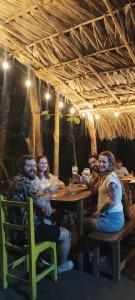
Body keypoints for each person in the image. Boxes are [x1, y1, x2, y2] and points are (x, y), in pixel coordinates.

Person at [8, 154, 74, 273]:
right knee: (66, 234)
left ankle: (43, 257)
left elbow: (36, 199)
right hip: (26, 233)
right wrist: (49, 192)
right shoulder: (25, 183)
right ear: (20, 168)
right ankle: (62, 266)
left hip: (15, 231)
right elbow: (42, 202)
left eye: (34, 165)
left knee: (50, 222)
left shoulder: (15, 180)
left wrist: (45, 202)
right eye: (29, 166)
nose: (33, 168)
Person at [84, 151, 125, 233]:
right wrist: (84, 180)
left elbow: (112, 201)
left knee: (82, 222)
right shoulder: (105, 175)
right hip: (111, 216)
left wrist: (98, 213)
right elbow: (95, 190)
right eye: (99, 161)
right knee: (86, 219)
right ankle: (96, 245)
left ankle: (93, 245)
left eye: (104, 162)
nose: (100, 164)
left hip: (113, 220)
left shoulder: (110, 178)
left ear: (110, 163)